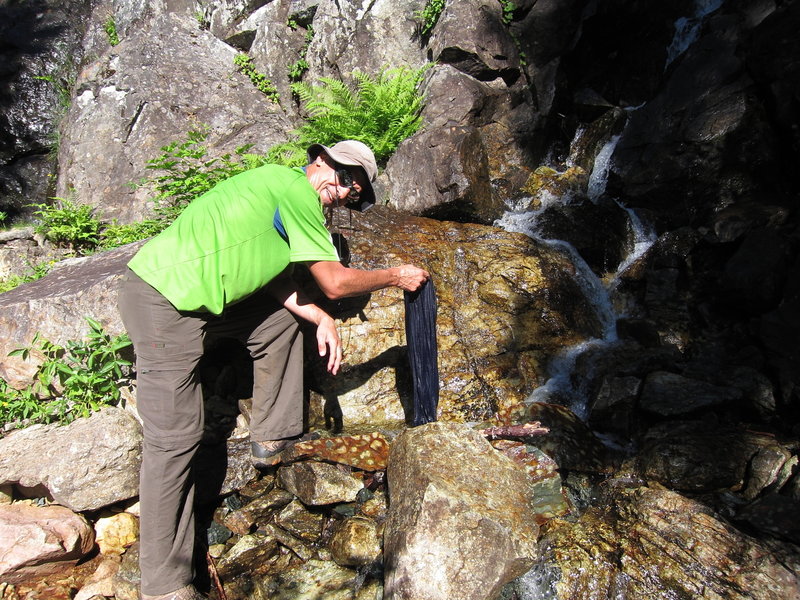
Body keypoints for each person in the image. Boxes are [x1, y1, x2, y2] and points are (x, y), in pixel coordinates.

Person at [117, 140, 429, 600]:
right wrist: (396, 275)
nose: (346, 193)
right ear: (320, 162)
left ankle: (274, 435)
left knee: (284, 318)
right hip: (163, 301)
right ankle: (163, 585)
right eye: (346, 180)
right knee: (175, 440)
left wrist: (319, 316)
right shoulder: (296, 191)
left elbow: (273, 275)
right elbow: (336, 282)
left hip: (206, 300)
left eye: (356, 190)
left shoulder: (280, 192)